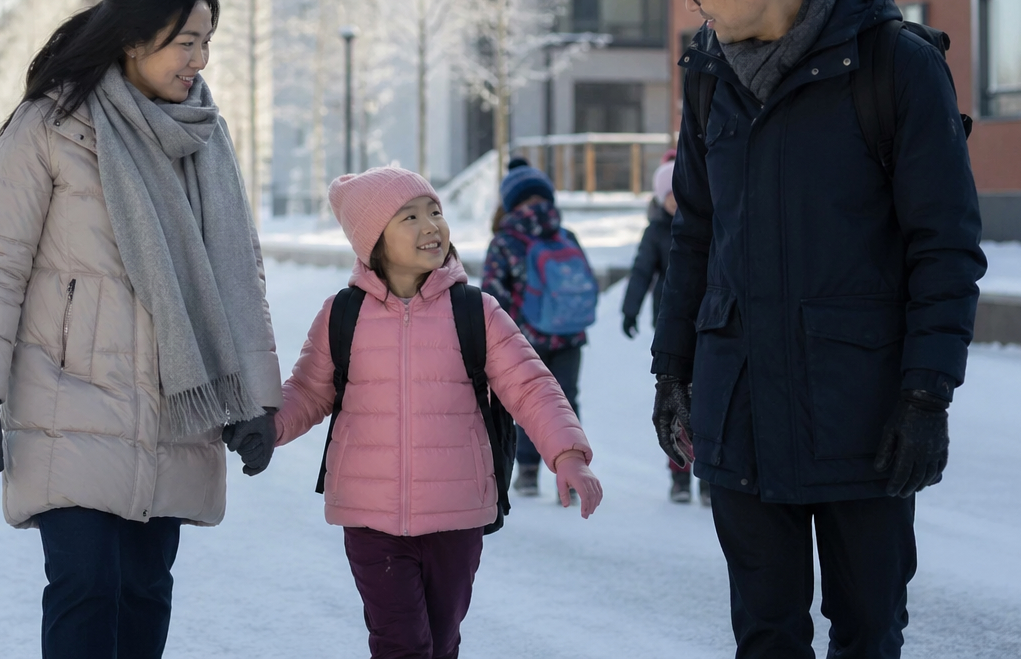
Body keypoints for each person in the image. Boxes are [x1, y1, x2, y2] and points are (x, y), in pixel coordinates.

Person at [651, 0, 985, 658]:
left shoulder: (895, 66)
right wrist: (673, 373)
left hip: (863, 418)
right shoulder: (708, 72)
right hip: (741, 414)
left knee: (868, 633)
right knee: (765, 636)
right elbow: (694, 232)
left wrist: (926, 396)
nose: (691, 4)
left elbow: (944, 246)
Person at [0, 0, 283, 659]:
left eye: (205, 41)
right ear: (134, 38)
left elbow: (236, 274)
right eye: (184, 41)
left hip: (175, 403)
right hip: (68, 396)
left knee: (144, 592)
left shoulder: (203, 135)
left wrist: (255, 399)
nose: (198, 59)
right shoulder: (51, 126)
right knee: (85, 583)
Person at [275, 166, 602, 659]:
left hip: (457, 515)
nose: (430, 225)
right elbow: (307, 390)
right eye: (409, 216)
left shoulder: (477, 311)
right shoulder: (342, 314)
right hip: (370, 517)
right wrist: (269, 426)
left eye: (435, 211)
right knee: (401, 643)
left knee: (441, 641)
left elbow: (531, 386)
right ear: (374, 240)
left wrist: (568, 454)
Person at [481, 160, 599, 499]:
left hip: (524, 338)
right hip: (570, 334)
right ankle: (572, 469)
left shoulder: (505, 241)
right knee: (565, 401)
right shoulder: (565, 234)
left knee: (529, 401)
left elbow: (492, 295)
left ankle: (529, 471)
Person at [622, 154, 706, 506]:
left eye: (679, 194)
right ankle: (679, 474)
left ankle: (711, 480)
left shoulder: (705, 228)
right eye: (668, 196)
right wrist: (630, 309)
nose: (675, 201)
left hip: (707, 325)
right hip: (672, 331)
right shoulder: (656, 232)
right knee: (677, 402)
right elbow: (642, 271)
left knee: (708, 403)